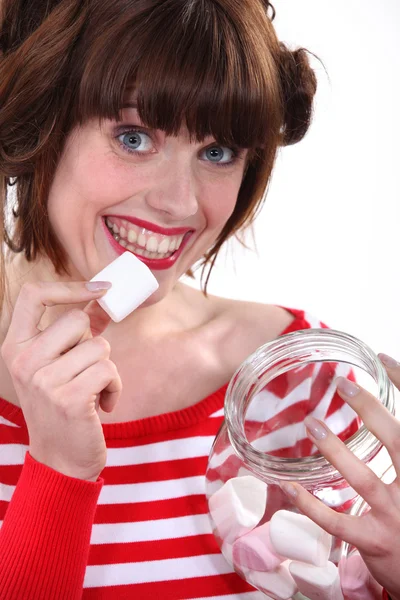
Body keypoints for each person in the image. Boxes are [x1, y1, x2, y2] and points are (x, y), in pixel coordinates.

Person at [0, 0, 398, 599]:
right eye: (133, 137)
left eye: (218, 153)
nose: (182, 204)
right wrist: (58, 469)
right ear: (39, 126)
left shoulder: (299, 383)